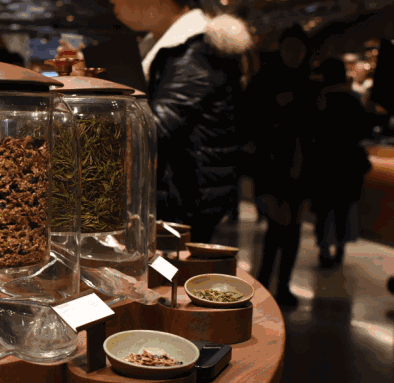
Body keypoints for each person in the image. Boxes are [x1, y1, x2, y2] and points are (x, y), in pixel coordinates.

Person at [109, 0, 252, 244]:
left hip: (184, 197)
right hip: (179, 192)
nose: (114, 2)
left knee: (175, 264)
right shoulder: (172, 47)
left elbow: (154, 128)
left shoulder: (193, 51)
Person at [250, 26, 317, 307]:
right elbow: (250, 121)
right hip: (272, 167)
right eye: (289, 48)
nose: (294, 54)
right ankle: (265, 282)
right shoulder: (264, 81)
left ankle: (283, 286)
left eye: (299, 49)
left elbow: (316, 130)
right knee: (277, 227)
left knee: (292, 230)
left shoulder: (310, 83)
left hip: (301, 168)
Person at [310, 58, 372, 268]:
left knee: (323, 210)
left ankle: (323, 249)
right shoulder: (353, 99)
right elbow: (364, 130)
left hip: (323, 163)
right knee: (343, 210)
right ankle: (340, 250)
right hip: (348, 164)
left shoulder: (319, 100)